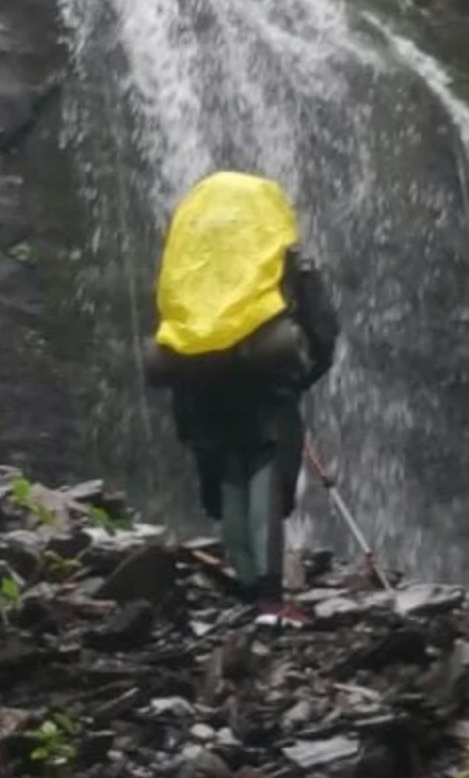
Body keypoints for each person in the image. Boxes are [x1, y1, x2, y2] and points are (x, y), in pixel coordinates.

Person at [145, 173, 339, 627]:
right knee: (265, 482)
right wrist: (305, 375)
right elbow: (323, 326)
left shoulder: (187, 268)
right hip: (265, 391)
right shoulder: (280, 258)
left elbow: (171, 335)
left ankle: (248, 588)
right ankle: (270, 600)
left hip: (205, 399)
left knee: (229, 478)